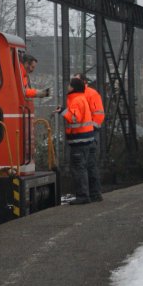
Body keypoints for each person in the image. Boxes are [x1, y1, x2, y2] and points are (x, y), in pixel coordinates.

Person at [57, 77, 98, 205]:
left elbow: (74, 118)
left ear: (73, 88)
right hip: (88, 139)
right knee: (90, 167)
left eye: (69, 85)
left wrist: (63, 111)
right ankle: (95, 194)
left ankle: (82, 196)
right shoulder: (82, 98)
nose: (67, 86)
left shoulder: (75, 100)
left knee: (78, 168)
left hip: (79, 141)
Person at [74, 73, 104, 202]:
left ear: (84, 81)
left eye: (76, 80)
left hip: (87, 134)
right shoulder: (85, 94)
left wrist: (91, 128)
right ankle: (95, 194)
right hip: (87, 133)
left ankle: (88, 194)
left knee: (84, 164)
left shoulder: (89, 94)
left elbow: (98, 114)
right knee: (90, 164)